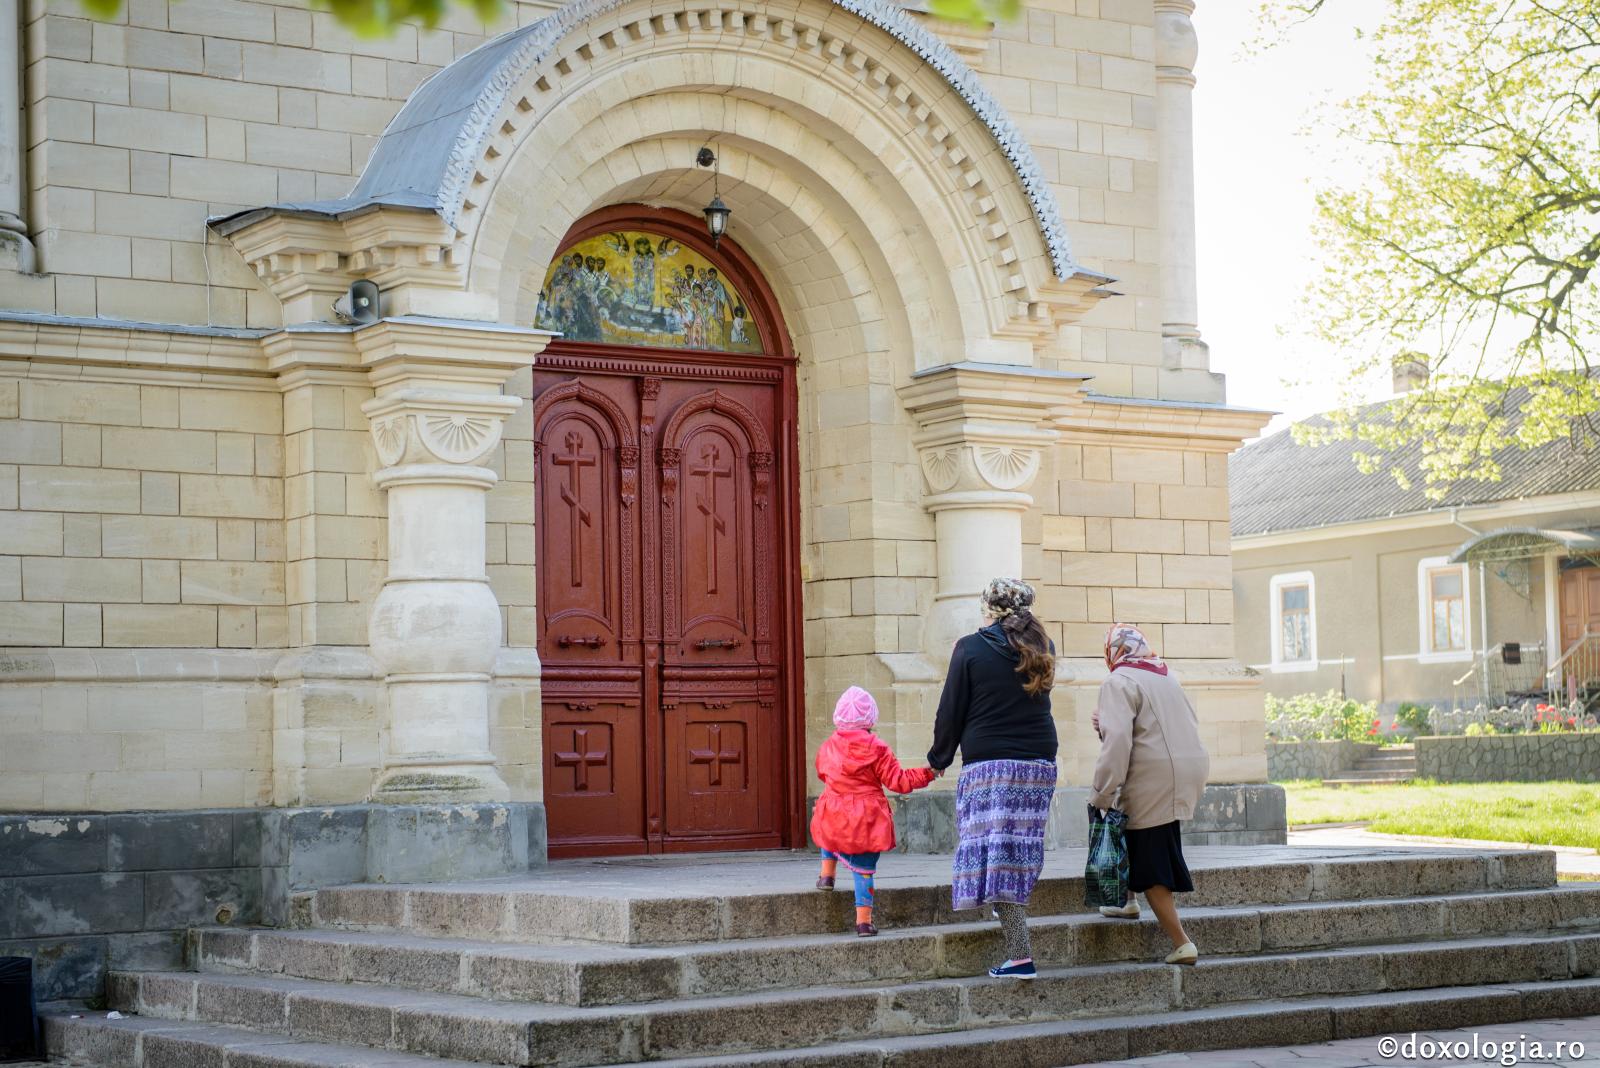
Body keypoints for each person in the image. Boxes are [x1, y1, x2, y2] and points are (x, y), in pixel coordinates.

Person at [928, 577, 1058, 979]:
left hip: (992, 767)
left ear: (989, 608)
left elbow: (951, 708)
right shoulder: (1043, 645)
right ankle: (1019, 953)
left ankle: (1021, 957)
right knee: (1015, 853)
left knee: (998, 858)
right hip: (1038, 764)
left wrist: (939, 757)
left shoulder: (969, 646)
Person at [1089, 623, 1210, 966]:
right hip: (1185, 769)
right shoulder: (1164, 673)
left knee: (1151, 857)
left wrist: (1100, 792)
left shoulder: (1119, 680)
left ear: (1113, 651)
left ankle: (1182, 942)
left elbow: (1117, 744)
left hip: (1154, 775)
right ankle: (1126, 900)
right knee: (1139, 834)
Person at [811, 686, 938, 936]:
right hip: (865, 818)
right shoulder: (877, 748)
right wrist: (928, 773)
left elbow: (821, 772)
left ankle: (827, 875)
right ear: (870, 719)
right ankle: (863, 923)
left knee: (827, 826)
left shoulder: (828, 746)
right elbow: (898, 781)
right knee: (864, 870)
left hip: (836, 810)